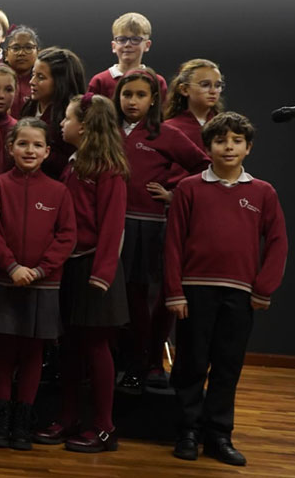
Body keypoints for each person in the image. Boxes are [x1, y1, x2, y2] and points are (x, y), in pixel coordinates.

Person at [165, 112, 287, 467]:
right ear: (208, 147)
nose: (228, 147)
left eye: (236, 141)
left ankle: (219, 435)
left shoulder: (263, 192)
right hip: (194, 291)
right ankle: (188, 431)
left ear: (248, 148)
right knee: (191, 363)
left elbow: (277, 241)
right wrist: (174, 291)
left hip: (240, 294)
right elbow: (173, 243)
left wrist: (263, 287)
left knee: (227, 365)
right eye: (220, 141)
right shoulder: (189, 188)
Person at [34, 93, 129, 452]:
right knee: (71, 347)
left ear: (86, 126)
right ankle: (69, 416)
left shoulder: (109, 169)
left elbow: (113, 227)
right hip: (71, 265)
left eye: (68, 118)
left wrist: (101, 276)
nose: (61, 123)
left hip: (95, 270)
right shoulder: (73, 165)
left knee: (96, 346)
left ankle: (104, 427)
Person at [113, 68, 209, 393]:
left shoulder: (165, 133)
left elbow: (203, 166)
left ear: (153, 99)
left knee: (138, 297)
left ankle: (141, 363)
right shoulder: (109, 129)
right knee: (112, 297)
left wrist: (174, 194)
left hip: (145, 225)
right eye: (127, 94)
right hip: (109, 224)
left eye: (140, 95)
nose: (132, 101)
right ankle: (118, 361)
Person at [0, 118, 76, 451]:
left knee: (33, 352)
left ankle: (23, 420)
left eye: (37, 145)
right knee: (4, 351)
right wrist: (11, 267)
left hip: (43, 285)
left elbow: (67, 236)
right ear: (11, 148)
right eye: (23, 143)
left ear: (48, 151)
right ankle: (0, 420)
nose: (30, 150)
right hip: (4, 280)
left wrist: (39, 271)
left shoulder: (59, 191)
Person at [21, 47, 86, 181]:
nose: (32, 82)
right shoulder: (29, 107)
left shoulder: (70, 116)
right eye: (33, 74)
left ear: (60, 82)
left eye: (40, 77)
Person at [86, 12, 168, 102]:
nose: (127, 44)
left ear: (147, 45)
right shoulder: (100, 81)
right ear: (113, 46)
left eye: (135, 39)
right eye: (122, 39)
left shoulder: (157, 82)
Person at [162, 58, 224, 150]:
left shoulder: (225, 127)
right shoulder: (169, 129)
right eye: (205, 85)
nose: (213, 91)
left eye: (218, 85)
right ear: (184, 89)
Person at [4, 25, 39, 114]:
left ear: (38, 53)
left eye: (28, 48)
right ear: (6, 54)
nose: (21, 53)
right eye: (16, 48)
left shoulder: (43, 82)